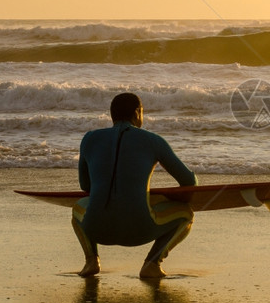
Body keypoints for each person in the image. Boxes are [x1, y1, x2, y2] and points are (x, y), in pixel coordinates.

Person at [74, 93, 198, 278]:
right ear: (137, 113)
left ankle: (91, 260)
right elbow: (189, 182)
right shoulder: (153, 141)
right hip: (139, 230)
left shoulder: (89, 139)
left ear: (112, 115)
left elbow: (86, 186)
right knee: (187, 214)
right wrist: (157, 198)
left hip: (97, 228)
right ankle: (152, 263)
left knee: (77, 209)